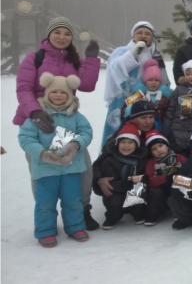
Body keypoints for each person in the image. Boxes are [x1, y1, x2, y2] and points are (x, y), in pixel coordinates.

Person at [15, 17, 101, 231]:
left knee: (81, 167)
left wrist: (90, 60)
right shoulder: (34, 58)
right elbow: (24, 87)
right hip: (37, 121)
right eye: (58, 32)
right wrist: (34, 111)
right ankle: (45, 215)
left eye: (67, 33)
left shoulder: (73, 59)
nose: (62, 37)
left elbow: (88, 85)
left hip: (67, 118)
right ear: (48, 35)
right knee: (43, 169)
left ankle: (82, 210)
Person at [18, 72, 93, 247]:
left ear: (69, 95)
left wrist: (75, 144)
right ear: (46, 93)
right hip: (45, 170)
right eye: (54, 92)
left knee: (73, 200)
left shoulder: (75, 116)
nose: (58, 95)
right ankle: (45, 230)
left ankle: (75, 226)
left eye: (63, 93)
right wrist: (42, 153)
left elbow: (87, 132)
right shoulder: (36, 117)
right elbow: (26, 138)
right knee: (45, 202)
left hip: (71, 168)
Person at [103, 21, 170, 146]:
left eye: (147, 34)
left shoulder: (155, 55)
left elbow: (163, 78)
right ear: (133, 35)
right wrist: (133, 54)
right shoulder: (121, 51)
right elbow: (115, 69)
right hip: (123, 98)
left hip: (148, 99)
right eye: (139, 33)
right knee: (120, 131)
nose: (143, 36)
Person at [95, 122, 148, 230]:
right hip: (116, 190)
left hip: (135, 188)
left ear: (137, 145)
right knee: (115, 203)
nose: (126, 146)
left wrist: (144, 179)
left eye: (130, 143)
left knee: (138, 196)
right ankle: (112, 217)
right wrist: (124, 184)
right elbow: (110, 180)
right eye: (122, 142)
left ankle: (138, 214)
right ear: (117, 144)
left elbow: (143, 175)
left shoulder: (141, 160)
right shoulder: (110, 160)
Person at [143, 129, 186, 226]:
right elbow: (149, 180)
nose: (158, 150)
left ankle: (181, 212)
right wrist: (167, 178)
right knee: (154, 193)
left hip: (177, 187)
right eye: (154, 149)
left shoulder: (179, 158)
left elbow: (189, 172)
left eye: (160, 146)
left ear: (167, 145)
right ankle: (154, 214)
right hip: (161, 190)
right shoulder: (151, 163)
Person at [132, 59, 173, 130]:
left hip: (161, 128)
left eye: (156, 80)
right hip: (141, 129)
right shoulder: (138, 94)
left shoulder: (166, 96)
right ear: (145, 82)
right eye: (150, 80)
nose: (153, 82)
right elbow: (126, 110)